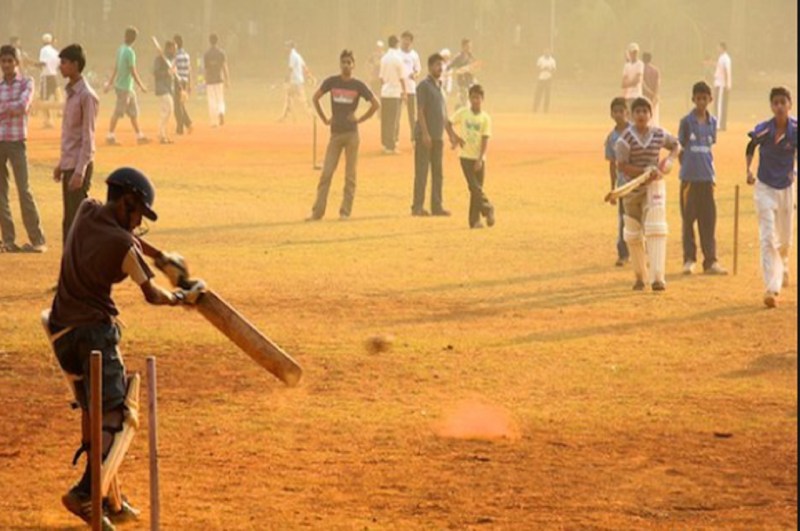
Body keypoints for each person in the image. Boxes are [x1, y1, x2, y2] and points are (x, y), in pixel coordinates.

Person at [46, 167, 202, 528]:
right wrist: (182, 296)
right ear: (127, 203)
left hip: (61, 332)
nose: (137, 223)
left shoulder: (86, 210)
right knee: (119, 417)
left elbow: (129, 240)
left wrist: (161, 257)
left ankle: (112, 502)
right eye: (137, 214)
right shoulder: (122, 246)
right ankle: (86, 493)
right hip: (94, 336)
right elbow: (151, 294)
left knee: (96, 412)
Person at [614, 96, 681, 291]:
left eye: (645, 111)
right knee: (633, 234)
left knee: (655, 227)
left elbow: (676, 144)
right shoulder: (624, 139)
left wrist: (669, 160)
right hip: (631, 188)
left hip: (653, 186)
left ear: (650, 115)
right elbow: (622, 166)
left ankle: (658, 278)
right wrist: (643, 172)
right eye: (637, 112)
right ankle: (640, 277)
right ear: (632, 115)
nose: (641, 115)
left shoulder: (659, 134)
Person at [307, 50, 379, 221]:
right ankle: (318, 211)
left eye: (349, 62)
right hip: (336, 134)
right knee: (326, 173)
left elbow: (376, 104)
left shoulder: (358, 85)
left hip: (352, 134)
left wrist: (360, 118)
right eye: (343, 62)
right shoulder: (332, 82)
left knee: (350, 175)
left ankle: (345, 211)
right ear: (340, 64)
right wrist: (325, 118)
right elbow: (315, 98)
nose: (346, 65)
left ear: (353, 65)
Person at [745, 86, 797, 308]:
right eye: (775, 103)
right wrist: (748, 170)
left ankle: (783, 263)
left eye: (782, 103)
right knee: (767, 237)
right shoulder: (764, 129)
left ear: (789, 106)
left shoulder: (795, 129)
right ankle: (771, 288)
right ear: (771, 106)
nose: (779, 107)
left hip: (786, 187)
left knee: (785, 240)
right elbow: (751, 146)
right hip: (764, 186)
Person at [678, 81, 727, 276]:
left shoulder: (712, 122)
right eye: (697, 98)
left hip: (707, 178)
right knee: (688, 220)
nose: (701, 102)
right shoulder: (686, 122)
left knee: (708, 220)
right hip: (690, 178)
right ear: (693, 99)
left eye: (704, 99)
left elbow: (709, 147)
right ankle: (689, 259)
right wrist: (689, 167)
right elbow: (680, 148)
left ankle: (711, 261)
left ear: (710, 100)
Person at [0, 45, 46, 253]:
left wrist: (4, 107)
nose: (7, 64)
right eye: (4, 61)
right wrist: (11, 106)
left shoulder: (28, 82)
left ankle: (37, 240)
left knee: (24, 190)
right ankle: (8, 240)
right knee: (0, 193)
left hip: (17, 141)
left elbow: (23, 106)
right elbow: (15, 106)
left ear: (17, 62)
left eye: (10, 60)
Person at [54, 43, 99, 244]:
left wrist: (80, 172)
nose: (60, 67)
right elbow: (70, 136)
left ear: (75, 64)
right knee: (69, 222)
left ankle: (79, 267)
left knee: (77, 222)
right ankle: (70, 267)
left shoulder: (86, 96)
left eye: (63, 63)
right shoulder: (71, 93)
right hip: (70, 164)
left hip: (79, 166)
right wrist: (61, 164)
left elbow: (87, 137)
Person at [411, 53, 459, 217]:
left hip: (438, 137)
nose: (440, 68)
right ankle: (417, 207)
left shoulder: (440, 87)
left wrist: (452, 135)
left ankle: (437, 206)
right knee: (422, 172)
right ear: (430, 66)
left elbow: (443, 115)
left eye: (442, 65)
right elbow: (420, 111)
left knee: (438, 173)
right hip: (426, 137)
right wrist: (425, 134)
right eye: (438, 65)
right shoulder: (424, 86)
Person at [449, 84, 495, 228]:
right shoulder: (463, 113)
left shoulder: (485, 118)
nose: (475, 101)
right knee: (474, 186)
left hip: (478, 158)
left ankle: (474, 221)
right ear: (469, 98)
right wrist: (454, 137)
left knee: (476, 189)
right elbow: (447, 123)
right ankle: (488, 208)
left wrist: (480, 158)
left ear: (483, 99)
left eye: (478, 98)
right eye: (473, 97)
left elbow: (485, 139)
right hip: (465, 156)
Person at [104, 27, 149, 146]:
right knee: (118, 112)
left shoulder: (120, 49)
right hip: (124, 87)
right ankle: (110, 136)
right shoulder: (129, 52)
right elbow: (133, 71)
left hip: (127, 87)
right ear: (134, 39)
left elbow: (116, 67)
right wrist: (142, 85)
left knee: (133, 113)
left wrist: (110, 83)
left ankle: (139, 136)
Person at [604, 97, 630, 267]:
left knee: (640, 219)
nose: (619, 115)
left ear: (627, 113)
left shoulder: (634, 132)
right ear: (611, 114)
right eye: (616, 112)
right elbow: (612, 164)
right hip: (622, 185)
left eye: (622, 111)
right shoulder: (611, 138)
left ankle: (641, 251)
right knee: (623, 220)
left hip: (637, 183)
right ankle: (623, 253)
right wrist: (612, 189)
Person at [379, 35, 406, 154]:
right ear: (397, 44)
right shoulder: (398, 58)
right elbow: (402, 77)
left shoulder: (384, 58)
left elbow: (381, 78)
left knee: (385, 119)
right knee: (393, 119)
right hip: (395, 92)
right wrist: (404, 92)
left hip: (385, 92)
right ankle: (391, 145)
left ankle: (385, 143)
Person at [397, 31, 421, 146]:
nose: (406, 42)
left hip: (411, 88)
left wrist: (415, 75)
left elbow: (418, 69)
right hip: (398, 89)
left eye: (408, 40)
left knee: (412, 115)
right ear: (401, 40)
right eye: (404, 39)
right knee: (397, 115)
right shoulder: (396, 54)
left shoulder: (414, 55)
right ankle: (394, 139)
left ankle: (414, 138)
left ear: (411, 42)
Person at [279, 41, 313, 122]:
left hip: (295, 82)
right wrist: (310, 76)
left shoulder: (292, 56)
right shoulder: (298, 55)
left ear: (290, 48)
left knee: (300, 100)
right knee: (289, 99)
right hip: (298, 81)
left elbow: (290, 69)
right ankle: (288, 117)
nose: (285, 49)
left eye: (286, 47)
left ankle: (310, 116)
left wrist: (286, 78)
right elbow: (304, 66)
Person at [153, 40, 177, 145]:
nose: (175, 51)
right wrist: (167, 72)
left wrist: (172, 72)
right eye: (174, 48)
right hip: (161, 88)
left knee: (167, 112)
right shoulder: (159, 59)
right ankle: (161, 135)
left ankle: (162, 134)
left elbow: (172, 75)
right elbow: (155, 72)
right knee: (167, 110)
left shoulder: (171, 60)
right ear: (169, 48)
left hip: (168, 88)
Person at [204, 33, 229, 127]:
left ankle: (214, 121)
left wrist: (204, 80)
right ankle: (221, 112)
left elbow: (205, 69)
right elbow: (224, 67)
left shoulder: (206, 54)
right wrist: (227, 79)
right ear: (217, 41)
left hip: (210, 80)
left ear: (209, 41)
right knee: (220, 99)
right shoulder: (221, 53)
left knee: (212, 100)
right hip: (219, 78)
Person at [38, 33, 60, 128]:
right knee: (58, 96)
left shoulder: (43, 50)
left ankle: (48, 121)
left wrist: (32, 64)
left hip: (46, 76)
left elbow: (43, 63)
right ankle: (61, 112)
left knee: (44, 99)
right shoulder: (56, 52)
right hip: (54, 75)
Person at [448, 38, 477, 109]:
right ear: (463, 47)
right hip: (462, 82)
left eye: (470, 46)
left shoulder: (471, 56)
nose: (469, 48)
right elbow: (449, 66)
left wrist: (473, 70)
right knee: (463, 101)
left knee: (472, 99)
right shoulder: (458, 57)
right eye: (467, 46)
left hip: (471, 81)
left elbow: (475, 67)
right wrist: (458, 71)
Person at [173, 34, 193, 135]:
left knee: (177, 106)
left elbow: (172, 69)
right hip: (184, 81)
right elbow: (189, 70)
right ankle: (188, 123)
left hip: (178, 81)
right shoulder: (186, 55)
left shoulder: (176, 56)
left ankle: (180, 127)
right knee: (181, 105)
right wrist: (190, 84)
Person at [714, 42, 732, 131]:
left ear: (722, 48)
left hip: (722, 84)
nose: (717, 49)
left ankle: (719, 124)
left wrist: (727, 83)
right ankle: (720, 124)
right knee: (718, 104)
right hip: (719, 83)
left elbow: (726, 71)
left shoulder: (725, 58)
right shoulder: (721, 58)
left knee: (720, 105)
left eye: (718, 47)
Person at [621, 42, 643, 108]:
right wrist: (630, 83)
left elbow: (637, 80)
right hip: (628, 95)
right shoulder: (626, 66)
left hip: (637, 94)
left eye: (635, 52)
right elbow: (623, 84)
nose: (634, 54)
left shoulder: (640, 64)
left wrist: (628, 83)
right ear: (630, 53)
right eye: (633, 52)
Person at [533, 48, 556, 113]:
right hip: (540, 79)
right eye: (546, 52)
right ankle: (535, 109)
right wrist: (543, 69)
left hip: (548, 79)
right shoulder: (540, 59)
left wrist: (549, 70)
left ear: (550, 53)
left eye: (548, 52)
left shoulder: (552, 60)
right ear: (544, 52)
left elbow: (554, 70)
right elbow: (536, 68)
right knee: (538, 94)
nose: (547, 53)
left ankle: (545, 110)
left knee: (547, 95)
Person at [642, 52, 660, 126]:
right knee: (653, 113)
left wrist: (649, 92)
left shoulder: (641, 69)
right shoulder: (656, 70)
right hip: (653, 95)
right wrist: (655, 94)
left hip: (644, 94)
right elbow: (657, 84)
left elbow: (642, 84)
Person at [367, 40, 384, 105]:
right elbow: (367, 64)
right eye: (378, 47)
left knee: (381, 94)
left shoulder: (384, 55)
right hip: (374, 78)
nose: (379, 48)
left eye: (380, 47)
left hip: (381, 79)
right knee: (373, 94)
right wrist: (369, 74)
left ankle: (380, 109)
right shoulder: (373, 55)